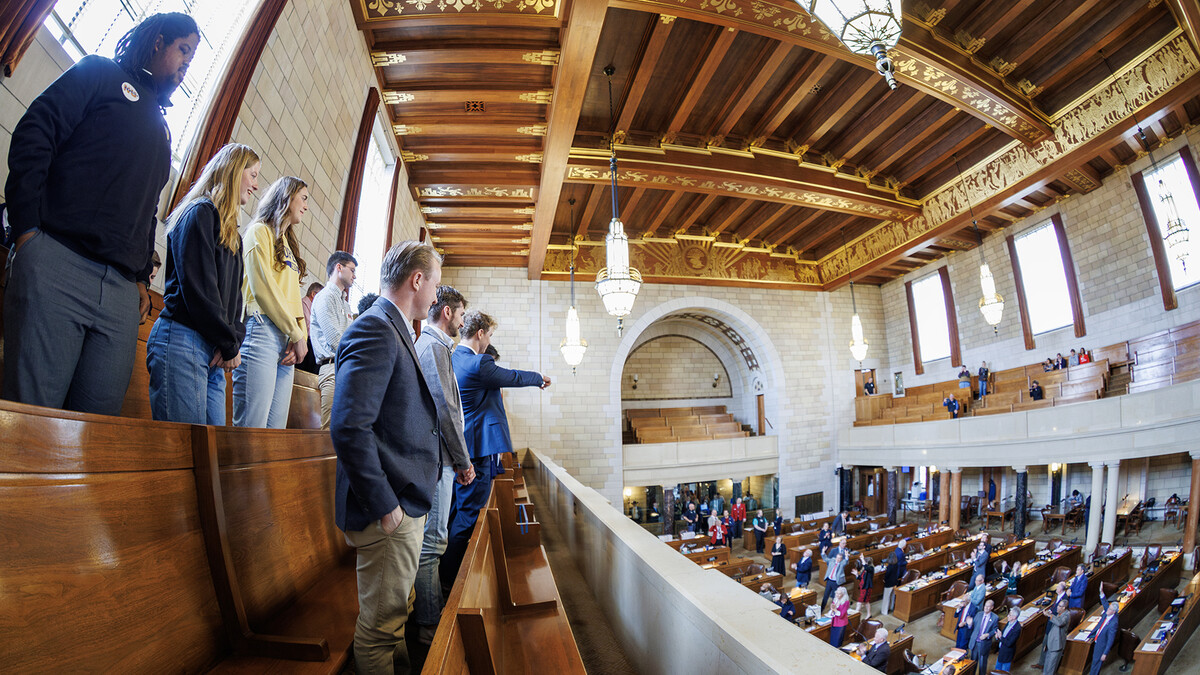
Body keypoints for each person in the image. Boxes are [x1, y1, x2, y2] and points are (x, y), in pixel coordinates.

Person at [3, 12, 200, 415]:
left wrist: (143, 278)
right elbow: (35, 133)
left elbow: (146, 212)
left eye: (193, 58)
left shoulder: (162, 130)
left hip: (119, 296)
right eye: (183, 50)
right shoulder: (100, 73)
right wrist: (26, 234)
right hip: (57, 262)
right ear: (158, 41)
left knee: (90, 436)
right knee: (31, 423)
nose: (186, 65)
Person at [329, 240, 443, 675]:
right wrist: (387, 507)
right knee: (380, 632)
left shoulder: (393, 327)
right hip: (387, 509)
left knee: (397, 617)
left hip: (403, 499)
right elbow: (348, 427)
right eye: (435, 283)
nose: (435, 295)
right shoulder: (375, 327)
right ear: (417, 279)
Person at [145, 143, 257, 424]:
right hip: (184, 338)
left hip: (214, 349)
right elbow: (199, 290)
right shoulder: (199, 213)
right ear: (233, 171)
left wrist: (233, 340)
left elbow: (236, 301)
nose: (255, 185)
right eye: (252, 175)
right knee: (183, 451)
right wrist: (229, 343)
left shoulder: (234, 234)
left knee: (211, 455)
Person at [443, 310, 550, 579]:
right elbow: (511, 376)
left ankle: (449, 575)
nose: (489, 341)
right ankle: (450, 580)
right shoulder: (478, 363)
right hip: (477, 449)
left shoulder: (453, 358)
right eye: (489, 335)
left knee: (457, 511)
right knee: (467, 517)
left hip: (463, 445)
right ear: (480, 333)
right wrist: (539, 378)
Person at [412, 285, 476, 645]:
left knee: (434, 541)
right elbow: (445, 407)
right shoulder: (434, 345)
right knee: (432, 544)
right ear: (448, 312)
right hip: (439, 459)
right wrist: (463, 459)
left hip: (440, 457)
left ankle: (428, 617)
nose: (463, 321)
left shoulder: (436, 345)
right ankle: (429, 627)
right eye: (462, 314)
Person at [232, 176, 310, 428]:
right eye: (304, 198)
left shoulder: (288, 244)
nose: (306, 206)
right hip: (262, 329)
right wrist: (295, 333)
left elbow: (293, 298)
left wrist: (301, 336)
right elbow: (263, 288)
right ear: (287, 197)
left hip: (287, 340)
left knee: (273, 433)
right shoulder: (259, 231)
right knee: (251, 428)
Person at [309, 251, 357, 428]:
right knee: (329, 431)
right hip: (331, 368)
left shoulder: (345, 303)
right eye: (352, 270)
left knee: (346, 430)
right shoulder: (325, 296)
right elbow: (335, 340)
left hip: (345, 367)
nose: (355, 276)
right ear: (339, 267)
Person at [1036, 598, 1072, 673]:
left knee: (1051, 667)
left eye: (1059, 606)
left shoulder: (1066, 615)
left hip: (1057, 645)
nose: (1057, 607)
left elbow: (1060, 623)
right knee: (1047, 665)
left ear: (1064, 608)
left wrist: (1050, 615)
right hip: (1051, 643)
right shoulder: (1059, 613)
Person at [1090, 589, 1120, 675]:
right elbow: (1105, 604)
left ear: (1113, 612)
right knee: (1095, 662)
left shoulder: (1113, 623)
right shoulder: (1109, 612)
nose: (1107, 610)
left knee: (1096, 664)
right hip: (1097, 640)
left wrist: (1105, 653)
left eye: (1109, 609)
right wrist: (1101, 592)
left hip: (1101, 645)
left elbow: (1110, 640)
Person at [298, 282, 322, 375]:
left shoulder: (313, 308)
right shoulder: (303, 304)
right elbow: (309, 328)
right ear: (313, 294)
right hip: (304, 343)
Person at [969, 599, 998, 675]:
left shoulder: (995, 618)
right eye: (985, 606)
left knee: (982, 665)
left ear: (992, 607)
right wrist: (969, 624)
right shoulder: (979, 614)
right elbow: (972, 626)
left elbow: (995, 629)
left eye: (988, 607)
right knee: (972, 663)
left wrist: (988, 635)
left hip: (984, 644)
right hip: (975, 642)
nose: (986, 608)